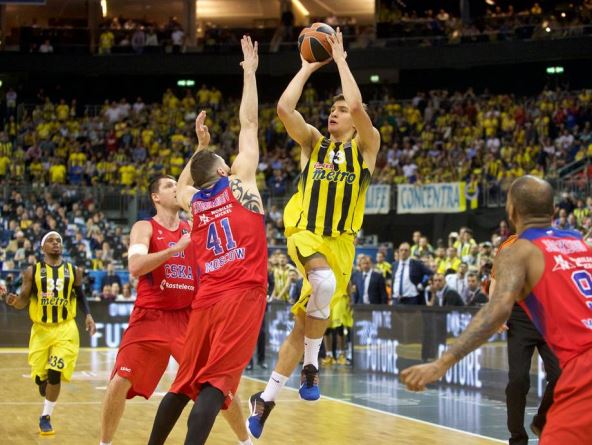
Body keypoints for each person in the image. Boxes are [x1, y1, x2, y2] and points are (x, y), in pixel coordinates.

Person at [247, 27, 380, 438]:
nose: (334, 114)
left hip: (341, 243)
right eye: (332, 111)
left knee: (305, 321)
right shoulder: (314, 143)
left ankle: (265, 399)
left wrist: (340, 59)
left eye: (339, 112)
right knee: (320, 282)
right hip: (306, 231)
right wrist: (305, 68)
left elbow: (356, 103)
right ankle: (311, 366)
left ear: (354, 124)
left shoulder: (367, 146)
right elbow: (285, 110)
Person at [401, 176, 592, 444]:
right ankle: (533, 427)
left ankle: (540, 423)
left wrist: (441, 363)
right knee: (523, 381)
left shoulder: (519, 250)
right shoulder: (579, 242)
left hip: (584, 368)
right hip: (577, 362)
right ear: (552, 211)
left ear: (511, 211)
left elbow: (496, 310)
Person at [147, 36, 266, 445]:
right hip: (241, 295)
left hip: (206, 298)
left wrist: (197, 148)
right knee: (216, 385)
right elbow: (249, 124)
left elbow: (179, 187)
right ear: (221, 167)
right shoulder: (242, 184)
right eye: (223, 159)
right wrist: (249, 73)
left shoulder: (195, 202)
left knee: (182, 385)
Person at [98, 174, 252, 445]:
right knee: (119, 381)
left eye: (176, 184)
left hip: (188, 319)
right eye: (169, 186)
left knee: (219, 385)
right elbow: (135, 266)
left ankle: (246, 442)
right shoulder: (145, 227)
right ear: (156, 197)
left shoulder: (194, 228)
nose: (175, 189)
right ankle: (104, 444)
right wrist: (174, 250)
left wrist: (201, 147)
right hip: (150, 316)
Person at [3, 231, 96, 436]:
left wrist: (88, 315)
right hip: (41, 330)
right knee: (42, 380)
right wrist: (12, 300)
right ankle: (42, 382)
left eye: (59, 241)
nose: (56, 243)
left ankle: (45, 416)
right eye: (51, 241)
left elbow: (80, 296)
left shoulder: (74, 271)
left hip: (65, 328)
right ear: (42, 247)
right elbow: (23, 300)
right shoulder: (32, 272)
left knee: (55, 373)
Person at [490, 235, 560, 445]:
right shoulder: (510, 244)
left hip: (550, 314)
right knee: (518, 379)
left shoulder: (555, 242)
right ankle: (517, 438)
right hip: (520, 315)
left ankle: (542, 420)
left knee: (562, 375)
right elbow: (495, 278)